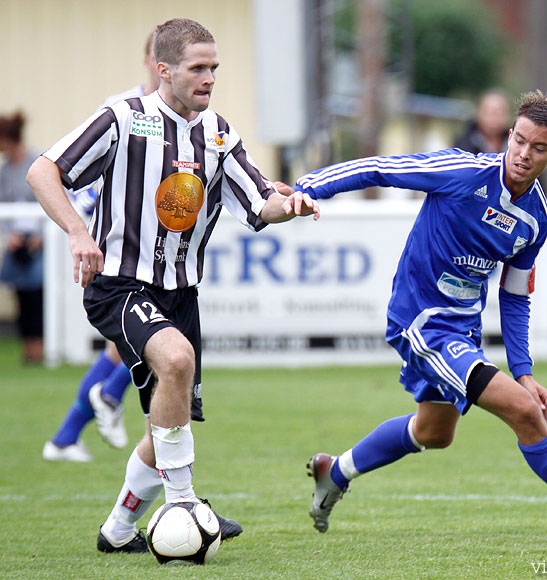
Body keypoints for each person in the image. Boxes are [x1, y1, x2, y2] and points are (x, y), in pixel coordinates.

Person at [286, 91, 547, 538]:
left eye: (538, 148)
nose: (523, 153)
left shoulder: (534, 219)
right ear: (509, 136)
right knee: (524, 413)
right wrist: (307, 187)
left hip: (462, 330)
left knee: (434, 432)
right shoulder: (461, 171)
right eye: (519, 140)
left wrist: (524, 372)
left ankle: (335, 471)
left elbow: (516, 297)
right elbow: (377, 167)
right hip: (421, 322)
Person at [27, 17, 319, 554]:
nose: (209, 78)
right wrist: (76, 234)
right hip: (118, 284)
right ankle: (183, 503)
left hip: (181, 293)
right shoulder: (123, 117)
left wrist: (291, 205)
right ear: (163, 70)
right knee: (177, 361)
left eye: (214, 68)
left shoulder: (218, 133)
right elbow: (44, 171)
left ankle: (117, 533)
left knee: (165, 421)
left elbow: (260, 201)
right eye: (197, 68)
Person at [43, 30, 161, 463]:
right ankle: (106, 398)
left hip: (146, 246)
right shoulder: (124, 111)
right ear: (153, 62)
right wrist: (83, 230)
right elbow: (70, 170)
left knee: (135, 340)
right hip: (107, 243)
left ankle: (65, 437)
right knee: (149, 337)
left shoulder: (183, 118)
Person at [0, 112, 43, 363]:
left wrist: (40, 236)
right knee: (20, 297)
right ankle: (28, 350)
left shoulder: (37, 161)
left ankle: (40, 349)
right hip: (16, 239)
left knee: (38, 298)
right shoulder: (5, 171)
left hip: (38, 240)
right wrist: (9, 235)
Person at [454, 89, 510, 154]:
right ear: (479, 113)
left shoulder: (514, 143)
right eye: (490, 112)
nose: (494, 118)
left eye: (500, 112)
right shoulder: (463, 143)